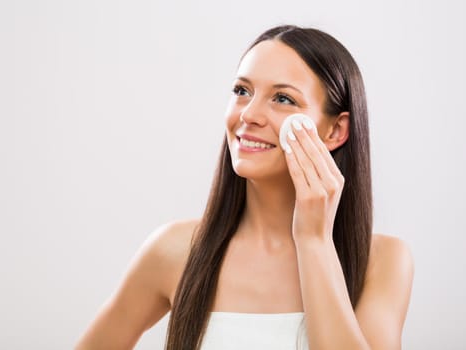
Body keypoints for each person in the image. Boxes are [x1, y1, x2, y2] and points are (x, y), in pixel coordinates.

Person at [76, 24, 414, 350]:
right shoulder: (174, 251)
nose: (249, 114)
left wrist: (314, 241)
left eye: (283, 98)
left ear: (335, 131)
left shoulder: (383, 263)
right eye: (242, 91)